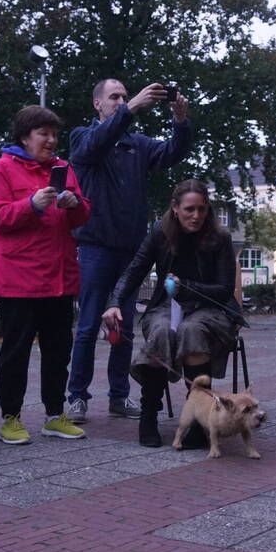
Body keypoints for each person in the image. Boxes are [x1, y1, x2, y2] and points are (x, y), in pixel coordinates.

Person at [67, 78, 192, 424]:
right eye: (115, 97)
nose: (121, 101)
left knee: (123, 328)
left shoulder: (137, 145)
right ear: (98, 104)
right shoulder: (82, 138)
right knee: (89, 324)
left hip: (130, 250)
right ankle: (77, 396)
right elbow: (95, 144)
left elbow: (172, 153)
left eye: (124, 96)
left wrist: (180, 123)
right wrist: (133, 107)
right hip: (94, 247)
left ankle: (118, 396)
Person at [101, 179, 242, 448]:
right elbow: (134, 271)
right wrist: (114, 302)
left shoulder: (220, 237)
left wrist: (187, 286)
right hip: (167, 307)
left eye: (202, 209)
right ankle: (148, 416)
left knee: (192, 330)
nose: (196, 215)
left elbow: (225, 290)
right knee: (162, 331)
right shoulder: (159, 232)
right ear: (175, 207)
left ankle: (202, 422)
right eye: (190, 209)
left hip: (212, 309)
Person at [0, 105, 92, 445]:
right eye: (43, 134)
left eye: (54, 134)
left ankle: (53, 415)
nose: (51, 140)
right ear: (24, 137)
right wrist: (31, 205)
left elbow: (83, 216)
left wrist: (76, 205)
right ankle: (10, 418)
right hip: (18, 279)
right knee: (15, 352)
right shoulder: (3, 168)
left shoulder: (63, 168)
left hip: (58, 277)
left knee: (58, 352)